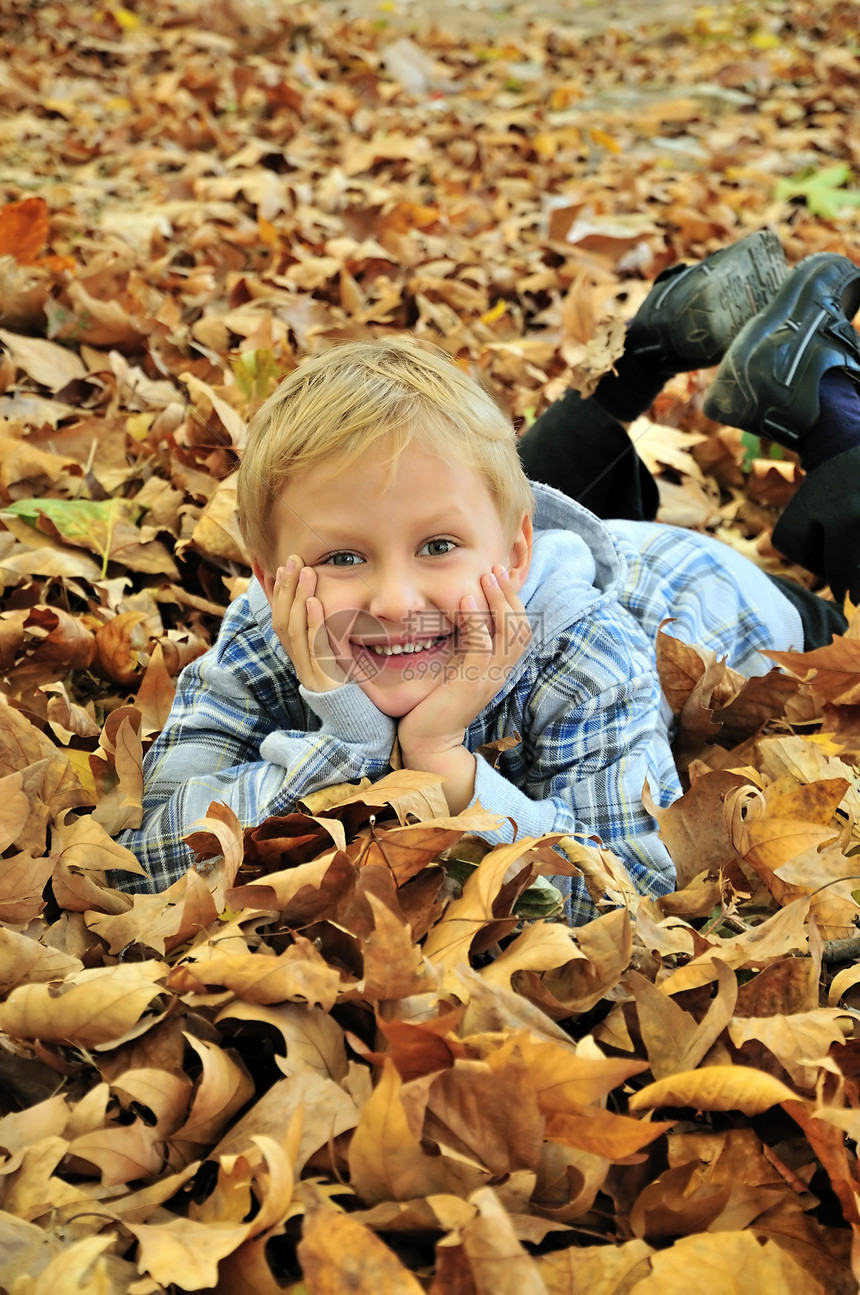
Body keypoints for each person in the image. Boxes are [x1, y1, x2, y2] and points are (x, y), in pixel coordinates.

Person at [115, 236, 860, 925]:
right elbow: (150, 856)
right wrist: (354, 738)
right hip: (530, 548)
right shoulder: (265, 628)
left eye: (431, 548)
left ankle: (832, 404)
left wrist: (444, 767)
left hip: (710, 595)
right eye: (342, 558)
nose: (396, 600)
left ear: (515, 559)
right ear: (269, 577)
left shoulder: (587, 651)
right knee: (456, 486)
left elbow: (636, 880)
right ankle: (638, 354)